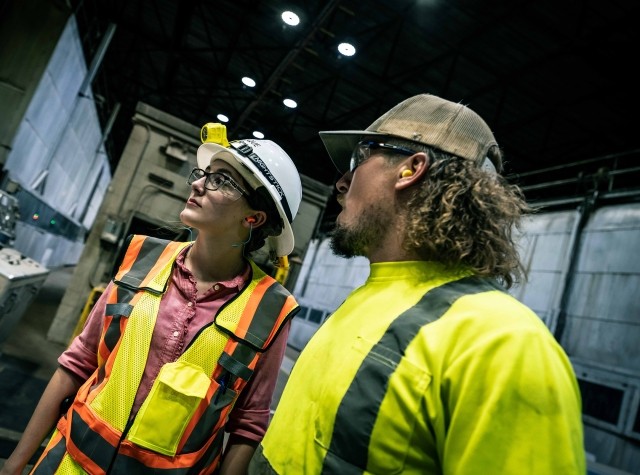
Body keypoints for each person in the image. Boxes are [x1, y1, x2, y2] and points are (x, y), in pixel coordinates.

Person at [249, 93, 586, 474]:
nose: (342, 182)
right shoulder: (369, 298)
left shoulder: (503, 344)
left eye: (359, 159)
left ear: (410, 169)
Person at [0, 128, 303, 475]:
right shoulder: (142, 259)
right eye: (204, 174)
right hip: (70, 463)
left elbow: (247, 426)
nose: (198, 184)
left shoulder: (270, 309)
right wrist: (15, 464)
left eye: (222, 181)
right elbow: (77, 363)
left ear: (253, 218)